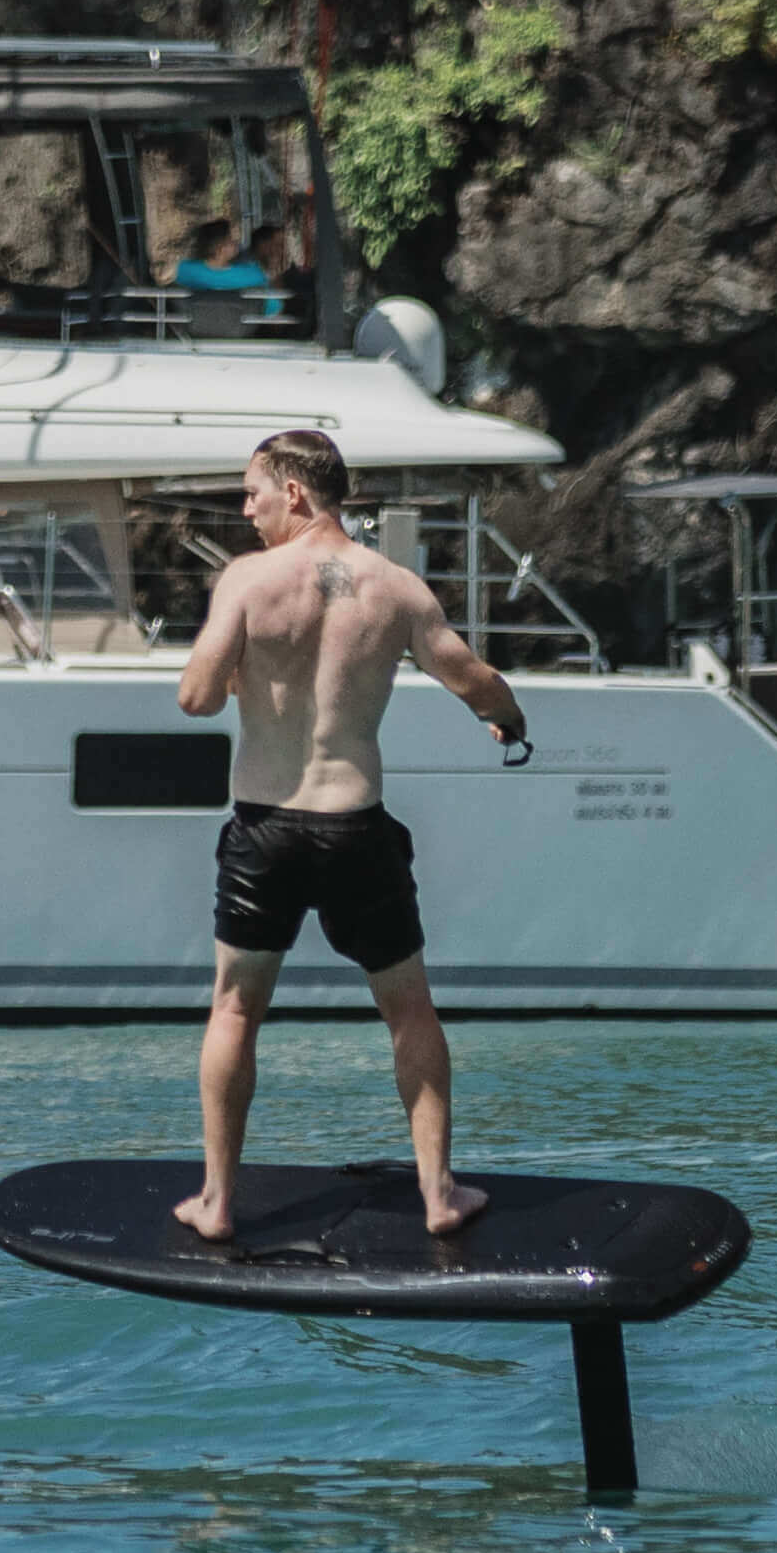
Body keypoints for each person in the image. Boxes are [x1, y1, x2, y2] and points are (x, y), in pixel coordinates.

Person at [170, 430, 532, 1240]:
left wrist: (237, 672)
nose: (246, 508)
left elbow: (195, 698)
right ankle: (439, 1195)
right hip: (355, 830)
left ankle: (218, 1202)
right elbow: (473, 679)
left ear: (295, 492)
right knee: (408, 1011)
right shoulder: (396, 587)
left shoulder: (247, 581)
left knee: (234, 1011)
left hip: (264, 830)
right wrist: (507, 719)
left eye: (254, 492)